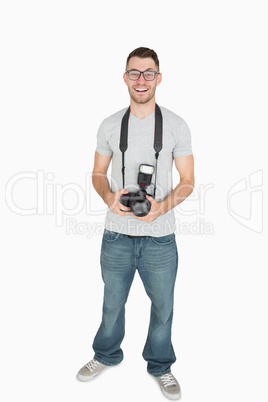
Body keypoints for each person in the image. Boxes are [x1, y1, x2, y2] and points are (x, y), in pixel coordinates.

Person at [77, 47, 194, 400]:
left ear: (159, 78)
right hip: (116, 235)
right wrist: (108, 197)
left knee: (163, 307)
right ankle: (106, 355)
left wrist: (162, 207)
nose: (140, 80)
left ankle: (160, 366)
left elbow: (187, 180)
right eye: (134, 73)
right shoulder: (111, 124)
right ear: (124, 77)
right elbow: (98, 173)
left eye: (148, 73)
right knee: (112, 303)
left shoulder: (175, 125)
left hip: (160, 238)